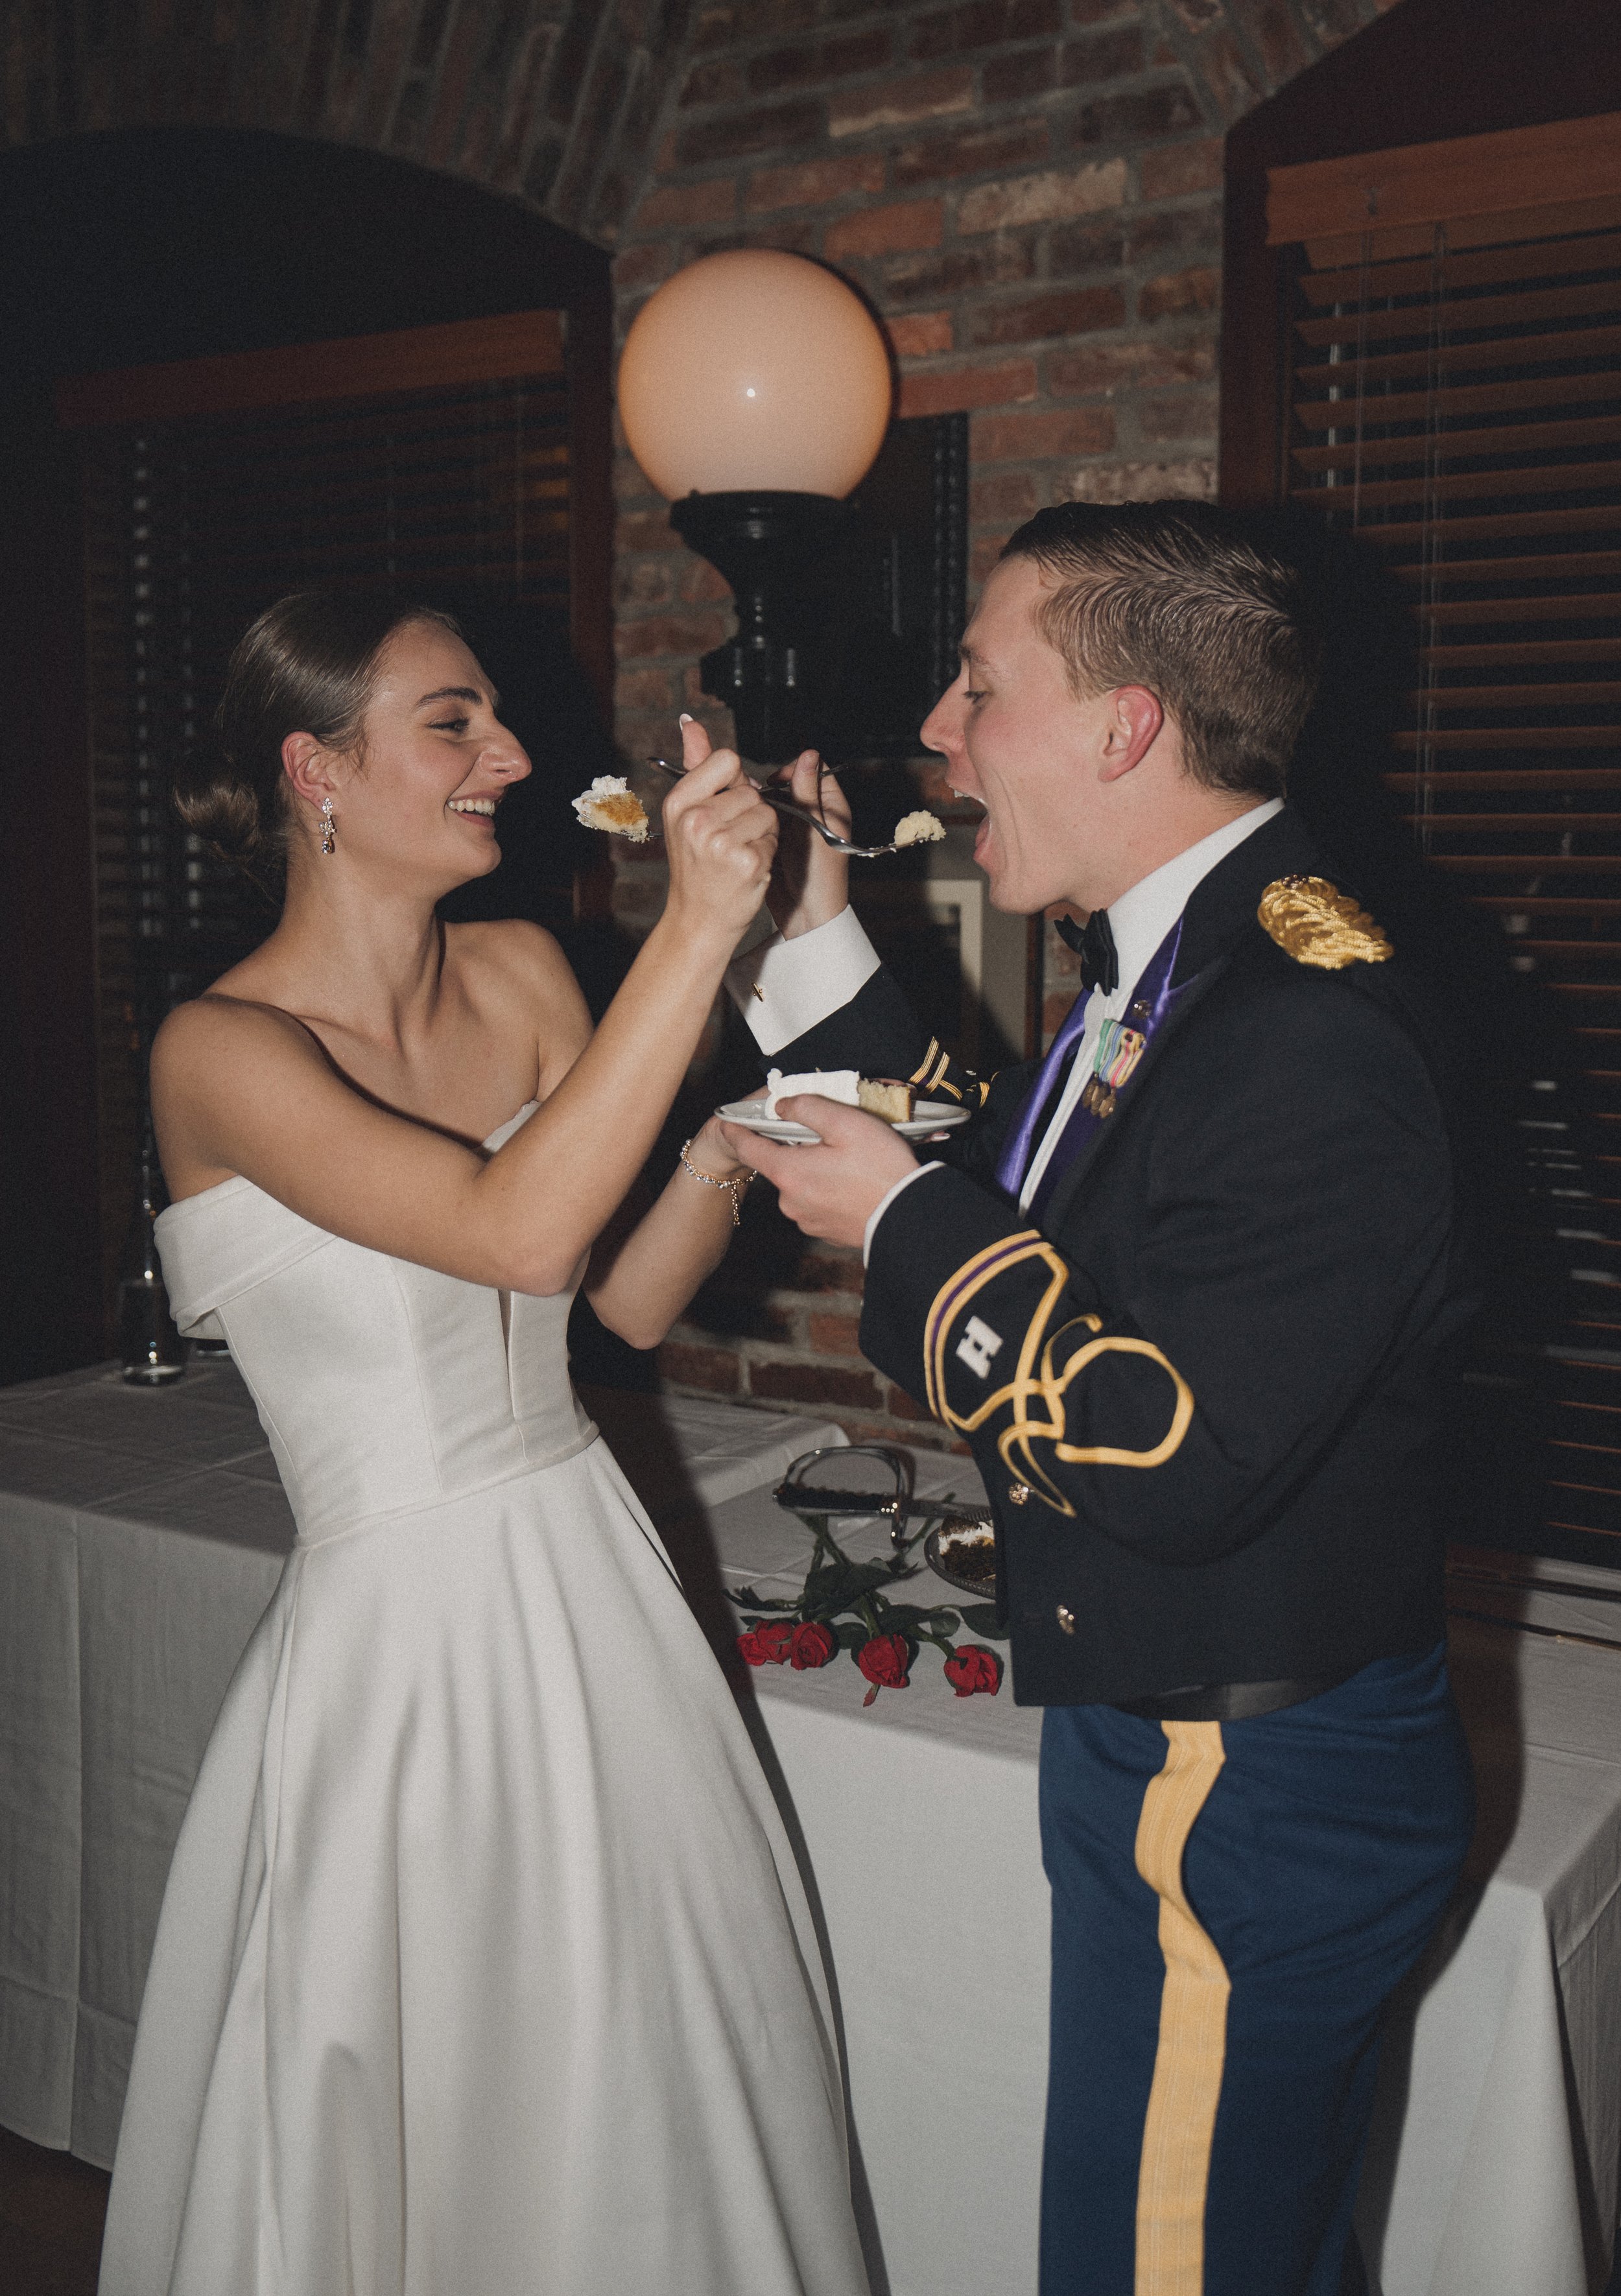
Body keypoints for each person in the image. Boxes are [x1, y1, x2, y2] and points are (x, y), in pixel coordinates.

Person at [719, 503, 1478, 2296]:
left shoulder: (1306, 1018)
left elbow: (1170, 1451)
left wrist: (898, 1219)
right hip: (1188, 1734)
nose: (936, 732)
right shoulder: (1198, 957)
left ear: (1123, 726)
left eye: (980, 688)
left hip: (1241, 1773)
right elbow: (1018, 1181)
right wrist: (821, 935)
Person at [98, 591, 871, 2296]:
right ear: (317, 768)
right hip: (405, 1648)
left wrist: (724, 1153)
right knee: (453, 2086)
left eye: (496, 720)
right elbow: (509, 1234)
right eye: (453, 723)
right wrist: (695, 927)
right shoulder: (219, 1053)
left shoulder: (521, 970)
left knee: (646, 2076)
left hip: (593, 1585)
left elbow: (620, 1306)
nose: (510, 758)